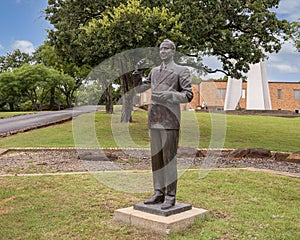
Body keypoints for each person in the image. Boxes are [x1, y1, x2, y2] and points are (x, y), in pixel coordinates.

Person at [134, 39, 193, 210]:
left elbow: (188, 95)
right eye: (160, 49)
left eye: (166, 49)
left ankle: (170, 195)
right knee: (156, 159)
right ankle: (158, 192)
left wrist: (170, 95)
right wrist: (138, 73)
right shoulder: (154, 71)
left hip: (170, 119)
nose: (162, 52)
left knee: (169, 159)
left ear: (173, 51)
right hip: (154, 118)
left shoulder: (181, 71)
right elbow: (140, 89)